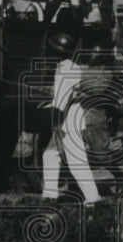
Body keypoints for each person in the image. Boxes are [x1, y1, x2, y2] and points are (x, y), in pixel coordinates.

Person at [40, 32, 101, 205]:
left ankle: (94, 199)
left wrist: (54, 120)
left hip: (68, 121)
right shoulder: (64, 67)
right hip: (64, 119)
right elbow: (60, 92)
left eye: (53, 50)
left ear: (59, 52)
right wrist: (49, 91)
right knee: (50, 155)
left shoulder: (69, 69)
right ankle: (50, 197)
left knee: (77, 162)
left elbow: (62, 101)